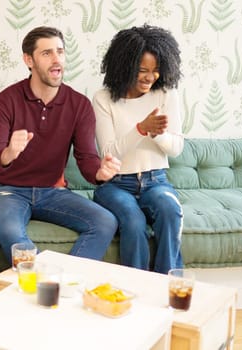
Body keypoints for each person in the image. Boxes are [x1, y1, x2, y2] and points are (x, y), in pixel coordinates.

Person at [0, 26, 120, 263]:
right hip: (8, 190)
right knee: (10, 231)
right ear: (29, 60)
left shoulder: (79, 105)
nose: (56, 60)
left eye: (60, 52)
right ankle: (38, 288)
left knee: (105, 221)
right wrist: (9, 153)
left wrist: (100, 172)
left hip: (52, 192)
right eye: (47, 53)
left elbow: (87, 158)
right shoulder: (5, 101)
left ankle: (62, 282)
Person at [92, 25, 184, 274]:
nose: (149, 77)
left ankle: (169, 284)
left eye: (155, 71)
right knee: (133, 222)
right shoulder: (103, 98)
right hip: (116, 184)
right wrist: (141, 129)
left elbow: (176, 148)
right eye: (142, 70)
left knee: (170, 210)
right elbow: (109, 153)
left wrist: (157, 133)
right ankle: (135, 288)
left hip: (156, 181)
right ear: (125, 66)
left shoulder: (166, 94)